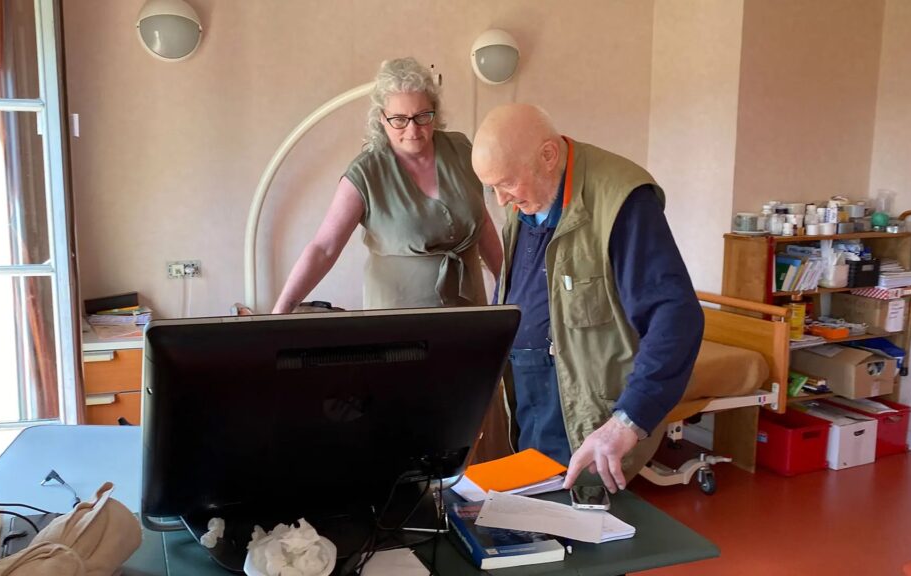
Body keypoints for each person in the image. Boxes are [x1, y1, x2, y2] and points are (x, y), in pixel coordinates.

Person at [471, 103, 704, 493]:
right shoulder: (530, 194)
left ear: (548, 155)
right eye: (491, 187)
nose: (500, 200)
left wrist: (625, 423)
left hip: (584, 415)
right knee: (534, 524)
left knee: (573, 536)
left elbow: (676, 317)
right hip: (531, 401)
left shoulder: (622, 201)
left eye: (505, 184)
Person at [271, 57, 503, 313]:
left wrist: (507, 283)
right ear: (382, 118)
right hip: (398, 321)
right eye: (399, 119)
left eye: (421, 116)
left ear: (434, 112)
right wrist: (280, 312)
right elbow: (323, 249)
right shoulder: (366, 173)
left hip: (468, 311)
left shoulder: (460, 150)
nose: (412, 129)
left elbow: (482, 224)